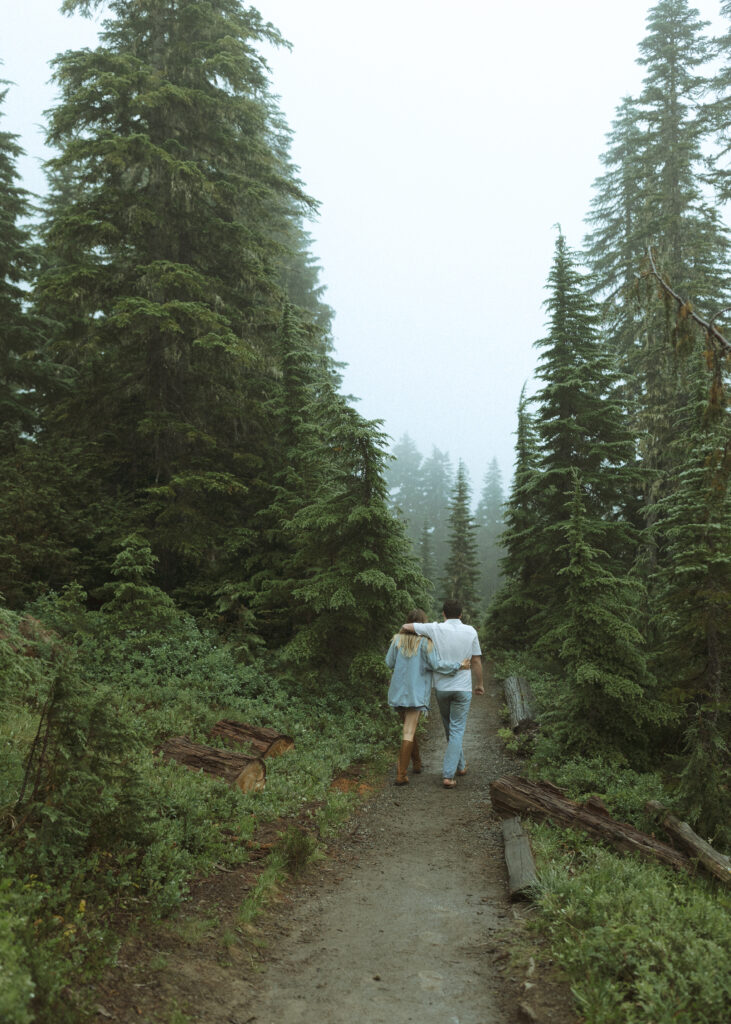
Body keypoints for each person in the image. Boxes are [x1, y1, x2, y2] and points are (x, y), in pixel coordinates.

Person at [401, 598, 483, 788]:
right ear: (461, 614)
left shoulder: (435, 628)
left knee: (450, 728)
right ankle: (448, 775)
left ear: (444, 614)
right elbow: (477, 661)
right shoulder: (471, 631)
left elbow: (406, 625)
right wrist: (480, 684)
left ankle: (461, 765)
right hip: (462, 688)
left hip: (442, 688)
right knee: (456, 729)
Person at [385, 608, 467, 786]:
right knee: (409, 730)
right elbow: (436, 665)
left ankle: (417, 763)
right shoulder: (425, 643)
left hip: (397, 693)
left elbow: (389, 663)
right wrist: (458, 665)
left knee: (408, 729)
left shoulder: (396, 640)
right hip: (415, 694)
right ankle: (400, 775)